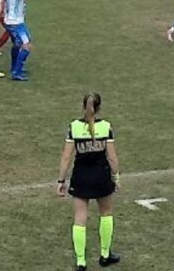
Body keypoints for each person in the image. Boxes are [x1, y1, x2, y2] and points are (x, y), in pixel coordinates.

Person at [57, 92, 121, 271]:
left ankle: (81, 262)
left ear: (83, 106)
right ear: (99, 107)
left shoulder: (74, 127)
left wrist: (61, 180)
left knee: (79, 220)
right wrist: (116, 177)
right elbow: (112, 156)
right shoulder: (106, 127)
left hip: (81, 177)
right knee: (106, 214)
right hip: (101, 177)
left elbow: (66, 157)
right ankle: (105, 254)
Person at [3, 0, 42, 81]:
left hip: (10, 21)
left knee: (17, 44)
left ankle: (14, 67)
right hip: (16, 23)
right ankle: (17, 72)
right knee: (26, 46)